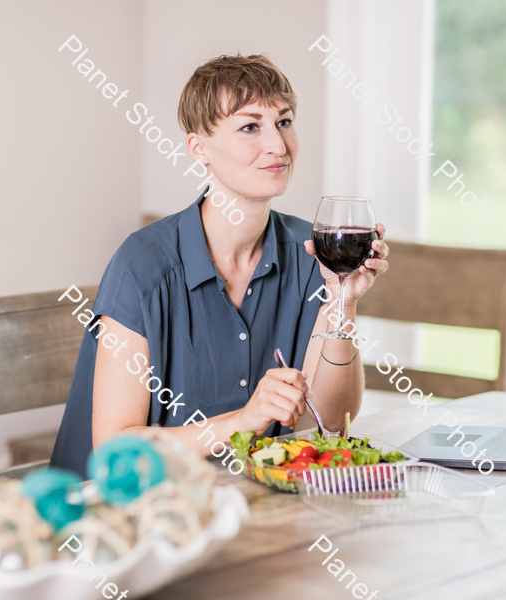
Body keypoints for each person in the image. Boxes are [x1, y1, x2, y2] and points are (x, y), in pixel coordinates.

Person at [50, 54, 389, 477]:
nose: (278, 146)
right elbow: (116, 447)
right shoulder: (143, 264)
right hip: (122, 515)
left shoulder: (310, 254)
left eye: (283, 122)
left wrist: (343, 303)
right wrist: (243, 421)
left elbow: (330, 424)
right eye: (250, 127)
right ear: (199, 148)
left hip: (249, 508)